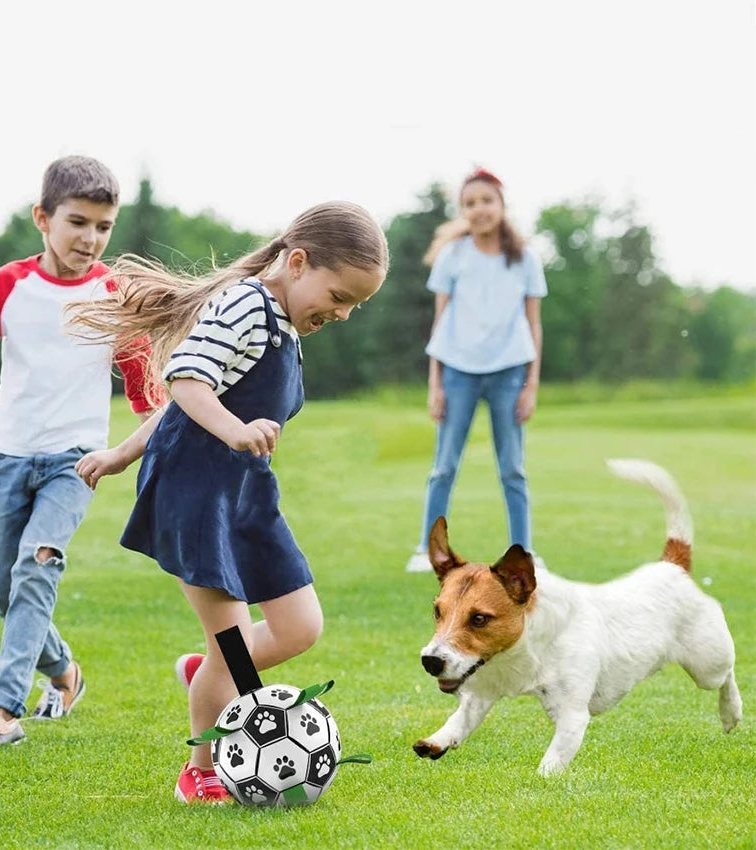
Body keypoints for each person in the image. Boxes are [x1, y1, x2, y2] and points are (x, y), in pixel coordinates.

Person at [70, 201, 388, 802]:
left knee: (300, 627)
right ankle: (201, 768)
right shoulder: (246, 303)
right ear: (297, 262)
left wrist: (122, 451)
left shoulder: (286, 323)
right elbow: (186, 380)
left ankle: (207, 673)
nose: (343, 313)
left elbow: (178, 404)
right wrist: (232, 431)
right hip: (195, 493)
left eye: (355, 305)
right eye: (340, 294)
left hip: (245, 495)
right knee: (235, 647)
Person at [0, 156, 153, 749]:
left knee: (36, 567)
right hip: (8, 456)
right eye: (78, 222)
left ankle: (0, 710)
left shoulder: (114, 296)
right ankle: (66, 673)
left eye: (104, 226)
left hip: (77, 462)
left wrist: (156, 438)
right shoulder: (9, 286)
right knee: (2, 587)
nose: (91, 239)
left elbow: (146, 387)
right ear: (42, 218)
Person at [405, 167, 546, 573]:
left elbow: (534, 324)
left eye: (486, 201)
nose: (479, 209)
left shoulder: (525, 260)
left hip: (509, 372)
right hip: (458, 371)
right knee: (444, 465)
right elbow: (440, 322)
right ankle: (426, 550)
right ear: (462, 211)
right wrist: (435, 384)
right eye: (470, 203)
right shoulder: (453, 256)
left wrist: (531, 385)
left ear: (501, 205)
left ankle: (524, 552)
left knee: (513, 468)